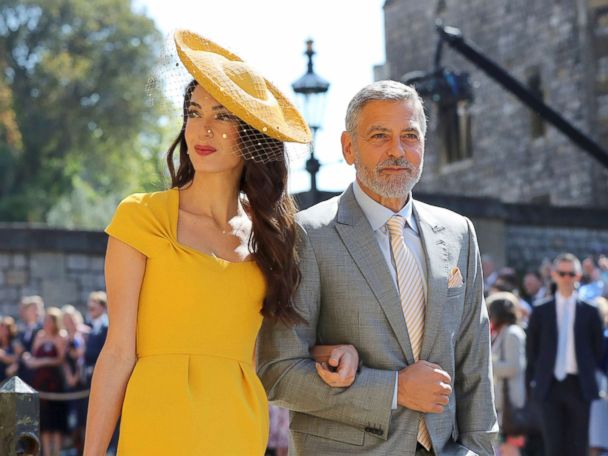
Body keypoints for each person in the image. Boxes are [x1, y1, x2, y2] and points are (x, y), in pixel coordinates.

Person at [83, 30, 356, 455]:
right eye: (194, 112)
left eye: (223, 115)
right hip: (158, 422)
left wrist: (329, 352)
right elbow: (117, 352)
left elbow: (269, 346)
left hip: (238, 425)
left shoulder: (272, 238)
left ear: (252, 134)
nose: (203, 128)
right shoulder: (142, 216)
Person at [257, 80, 497, 455]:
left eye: (410, 136)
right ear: (349, 147)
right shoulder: (306, 235)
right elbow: (279, 373)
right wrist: (395, 389)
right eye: (379, 136)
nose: (397, 151)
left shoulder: (458, 233)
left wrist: (479, 450)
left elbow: (475, 362)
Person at [526, 253, 604, 456]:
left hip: (580, 385)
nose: (567, 278)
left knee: (578, 445)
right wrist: (530, 386)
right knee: (553, 446)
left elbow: (598, 351)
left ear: (578, 276)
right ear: (554, 275)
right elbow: (532, 352)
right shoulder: (541, 311)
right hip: (549, 385)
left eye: (571, 274)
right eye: (562, 273)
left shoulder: (589, 311)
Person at [25, 307, 69, 456]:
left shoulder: (61, 336)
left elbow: (60, 359)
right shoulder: (39, 336)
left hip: (54, 383)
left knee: (55, 421)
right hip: (39, 383)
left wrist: (42, 361)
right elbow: (33, 355)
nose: (46, 323)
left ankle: (56, 452)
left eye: (49, 320)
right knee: (43, 421)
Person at [487, 292, 527, 456]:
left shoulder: (512, 333)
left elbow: (513, 367)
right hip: (502, 404)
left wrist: (486, 363)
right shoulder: (501, 333)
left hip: (511, 404)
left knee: (510, 449)